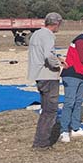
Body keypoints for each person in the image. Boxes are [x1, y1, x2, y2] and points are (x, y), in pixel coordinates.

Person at [28, 12, 65, 150]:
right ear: (56, 23)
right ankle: (41, 143)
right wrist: (58, 64)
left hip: (39, 75)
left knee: (45, 109)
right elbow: (48, 55)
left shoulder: (37, 34)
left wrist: (58, 57)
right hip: (48, 76)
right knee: (50, 110)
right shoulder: (48, 35)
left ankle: (40, 140)